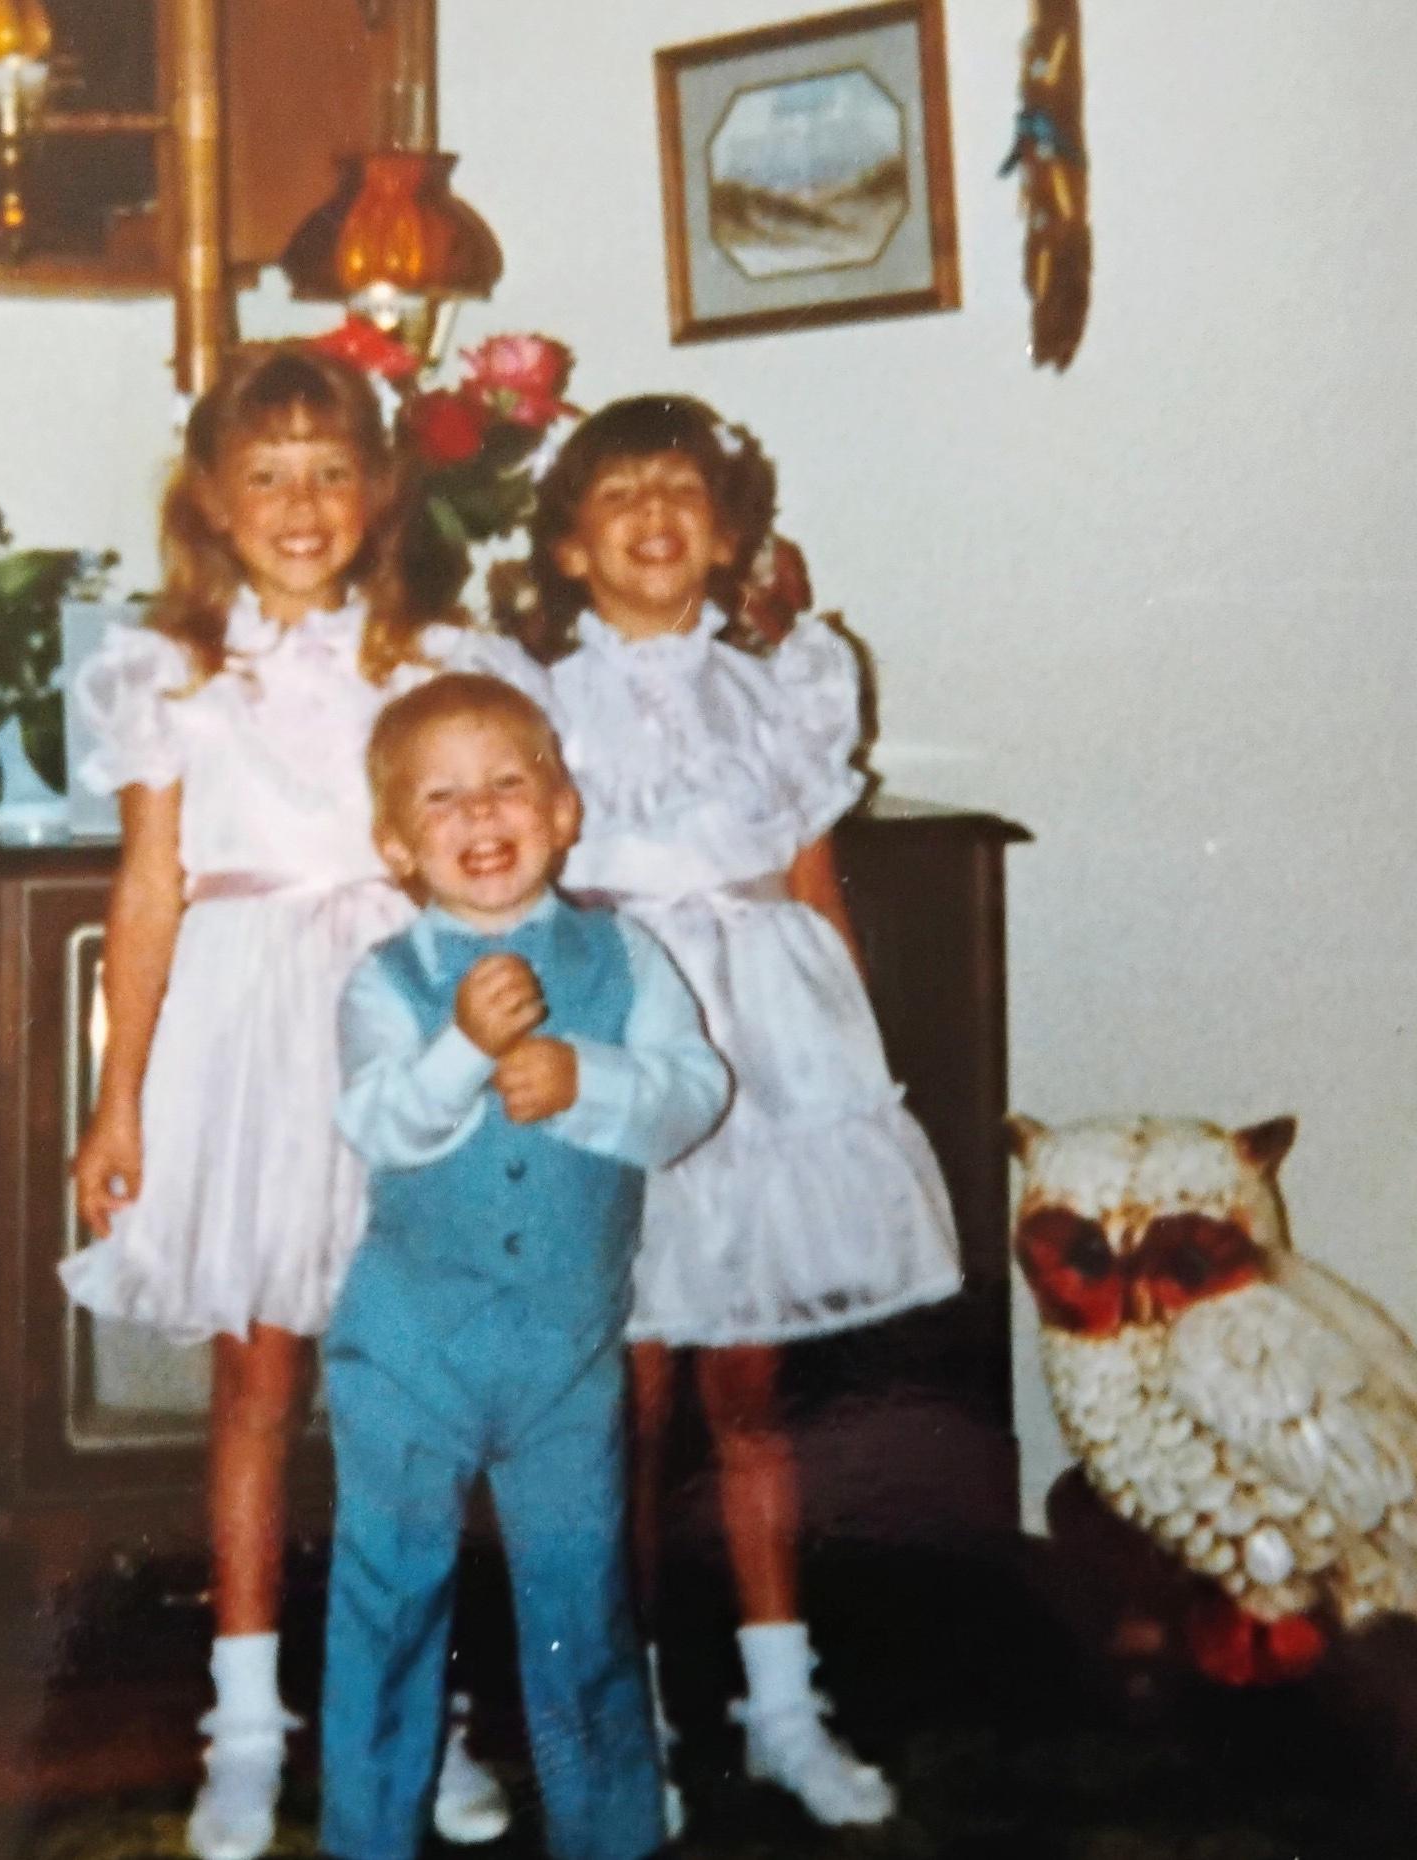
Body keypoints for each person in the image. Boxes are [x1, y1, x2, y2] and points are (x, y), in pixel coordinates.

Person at [65, 344, 506, 1860]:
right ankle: (244, 1732)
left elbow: (491, 861)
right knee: (256, 1385)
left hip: (404, 1021)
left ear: (378, 491)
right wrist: (120, 1100)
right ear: (213, 502)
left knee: (415, 1398)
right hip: (245, 1035)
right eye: (267, 476)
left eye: (330, 471)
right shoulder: (170, 672)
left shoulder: (440, 654)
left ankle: (414, 1714)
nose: (301, 503)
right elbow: (146, 892)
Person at [520, 395, 963, 1829]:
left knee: (753, 1400)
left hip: (768, 1062)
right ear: (572, 549)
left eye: (683, 494)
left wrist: (851, 1069)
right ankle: (619, 1709)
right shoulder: (540, 703)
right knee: (622, 1403)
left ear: (725, 535)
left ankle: (781, 1702)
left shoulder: (785, 689)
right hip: (624, 1047)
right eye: (620, 497)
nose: (655, 516)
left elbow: (812, 885)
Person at [321, 673, 729, 1860]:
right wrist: (464, 1049)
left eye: (508, 783)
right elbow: (379, 1124)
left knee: (580, 1618)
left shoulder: (625, 955)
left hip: (565, 1358)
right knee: (387, 1608)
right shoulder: (384, 983)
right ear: (398, 842)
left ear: (563, 810)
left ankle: (609, 1836)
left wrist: (586, 1079)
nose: (481, 814)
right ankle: (366, 1838)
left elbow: (695, 1095)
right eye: (442, 798)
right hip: (406, 1354)